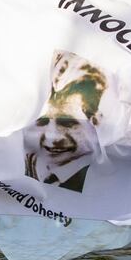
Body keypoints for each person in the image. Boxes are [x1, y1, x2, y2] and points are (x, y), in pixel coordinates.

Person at [24, 50, 107, 193]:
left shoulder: (103, 185)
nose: (51, 136)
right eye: (42, 122)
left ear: (96, 120)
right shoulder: (26, 162)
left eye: (66, 124)